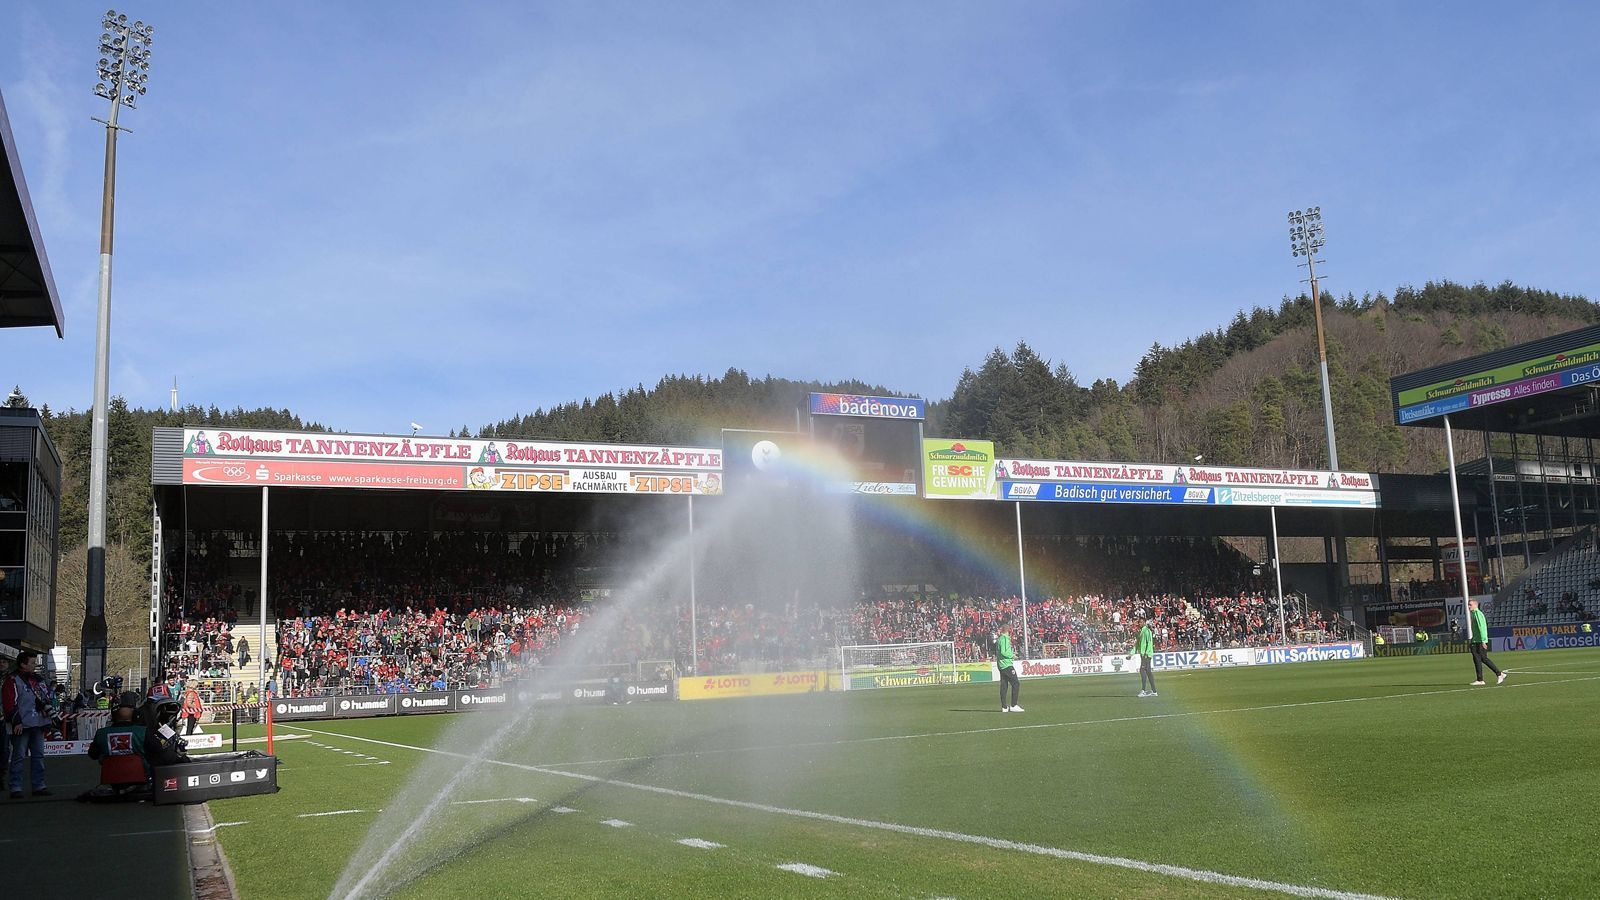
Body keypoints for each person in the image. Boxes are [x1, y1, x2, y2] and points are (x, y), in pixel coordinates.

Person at [2, 650, 55, 798]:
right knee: (18, 756)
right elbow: (9, 703)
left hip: (38, 723)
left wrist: (46, 709)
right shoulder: (12, 680)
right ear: (23, 664)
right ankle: (15, 787)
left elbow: (47, 696)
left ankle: (39, 785)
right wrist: (16, 721)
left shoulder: (38, 679)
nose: (35, 665)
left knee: (38, 756)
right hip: (21, 725)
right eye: (32, 662)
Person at [1468, 598, 1505, 686]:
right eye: (1468, 605)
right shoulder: (1474, 614)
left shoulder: (1477, 614)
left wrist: (1484, 640)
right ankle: (1480, 679)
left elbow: (1482, 628)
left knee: (1483, 658)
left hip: (1480, 641)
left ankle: (1499, 674)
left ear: (1475, 605)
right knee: (1477, 659)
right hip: (1476, 640)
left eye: (1470, 605)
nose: (1469, 606)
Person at [996, 618, 1021, 713]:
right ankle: (1013, 705)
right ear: (1008, 630)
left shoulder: (999, 639)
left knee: (1004, 685)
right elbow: (1003, 652)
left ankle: (1004, 707)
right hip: (1006, 665)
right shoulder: (1004, 639)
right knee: (1016, 683)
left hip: (1001, 665)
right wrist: (1012, 655)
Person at [1131, 615, 1157, 697]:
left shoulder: (1147, 631)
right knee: (1148, 672)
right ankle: (1154, 691)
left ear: (1145, 623)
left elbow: (1149, 643)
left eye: (1141, 622)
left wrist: (1146, 653)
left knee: (1142, 670)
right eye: (1139, 622)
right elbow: (1137, 645)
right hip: (1144, 654)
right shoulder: (1140, 632)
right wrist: (1131, 654)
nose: (1139, 623)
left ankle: (1143, 690)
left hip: (1146, 655)